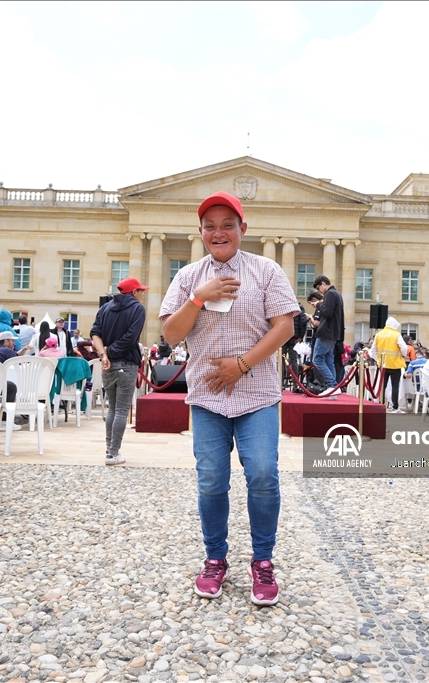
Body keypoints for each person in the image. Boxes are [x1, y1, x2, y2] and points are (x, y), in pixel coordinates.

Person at [160, 191, 298, 607]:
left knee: (261, 474)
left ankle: (263, 561)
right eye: (210, 226)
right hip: (206, 398)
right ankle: (215, 559)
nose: (218, 232)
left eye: (227, 224)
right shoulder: (188, 277)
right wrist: (199, 296)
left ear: (243, 228)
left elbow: (285, 326)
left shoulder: (265, 271)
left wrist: (241, 364)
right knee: (211, 480)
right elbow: (170, 334)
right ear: (201, 232)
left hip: (255, 394)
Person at [90, 276, 149, 466]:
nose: (143, 294)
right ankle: (113, 453)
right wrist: (111, 353)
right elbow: (131, 338)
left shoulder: (105, 308)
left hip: (107, 364)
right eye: (141, 291)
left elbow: (95, 333)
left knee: (112, 409)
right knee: (121, 410)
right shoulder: (137, 309)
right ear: (134, 292)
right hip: (126, 363)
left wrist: (104, 355)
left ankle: (109, 450)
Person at [311, 275, 344, 391]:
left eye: (318, 288)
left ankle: (332, 385)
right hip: (334, 333)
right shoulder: (337, 294)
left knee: (317, 359)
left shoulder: (330, 294)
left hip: (326, 332)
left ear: (323, 284)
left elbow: (328, 312)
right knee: (329, 360)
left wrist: (318, 305)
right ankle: (333, 387)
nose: (319, 291)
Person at [370, 317, 408, 413]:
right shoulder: (396, 334)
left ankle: (380, 405)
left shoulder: (379, 334)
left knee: (382, 386)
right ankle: (395, 407)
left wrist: (377, 359)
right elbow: (404, 348)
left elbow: (373, 350)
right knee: (395, 386)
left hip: (382, 364)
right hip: (395, 364)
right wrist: (403, 355)